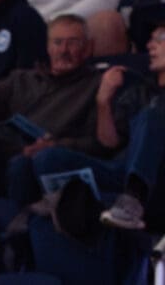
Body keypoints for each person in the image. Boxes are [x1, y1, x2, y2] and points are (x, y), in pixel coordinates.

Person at [28, 23, 165, 230]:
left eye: (160, 39)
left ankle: (133, 199)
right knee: (48, 157)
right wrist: (103, 100)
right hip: (122, 171)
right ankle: (62, 199)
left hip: (158, 177)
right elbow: (110, 142)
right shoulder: (140, 90)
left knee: (151, 115)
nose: (150, 45)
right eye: (151, 39)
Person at [0, 14, 112, 204]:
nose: (63, 50)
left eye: (73, 43)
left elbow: (99, 144)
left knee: (25, 164)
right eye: (57, 42)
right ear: (48, 47)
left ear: (88, 47)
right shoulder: (22, 79)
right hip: (3, 157)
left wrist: (56, 145)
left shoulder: (96, 85)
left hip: (55, 162)